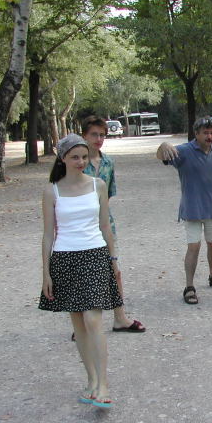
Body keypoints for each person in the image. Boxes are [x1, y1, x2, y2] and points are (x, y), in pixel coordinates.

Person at [39, 134, 122, 408]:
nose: (81, 162)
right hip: (65, 258)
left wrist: (113, 259)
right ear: (62, 158)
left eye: (84, 157)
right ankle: (91, 380)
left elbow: (105, 226)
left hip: (95, 254)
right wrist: (46, 273)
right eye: (75, 157)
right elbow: (48, 235)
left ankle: (103, 384)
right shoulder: (52, 191)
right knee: (78, 325)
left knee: (93, 319)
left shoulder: (98, 185)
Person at [156, 117, 212, 304]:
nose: (210, 136)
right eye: (205, 133)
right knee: (194, 246)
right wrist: (163, 145)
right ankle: (189, 287)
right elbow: (162, 156)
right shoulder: (183, 151)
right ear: (196, 134)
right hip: (192, 210)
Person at [80, 116, 145, 334]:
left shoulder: (108, 162)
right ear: (84, 136)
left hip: (105, 224)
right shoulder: (75, 162)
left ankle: (120, 317)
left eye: (102, 135)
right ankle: (83, 324)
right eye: (94, 134)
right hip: (82, 226)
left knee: (114, 271)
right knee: (85, 274)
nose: (98, 139)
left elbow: (108, 195)